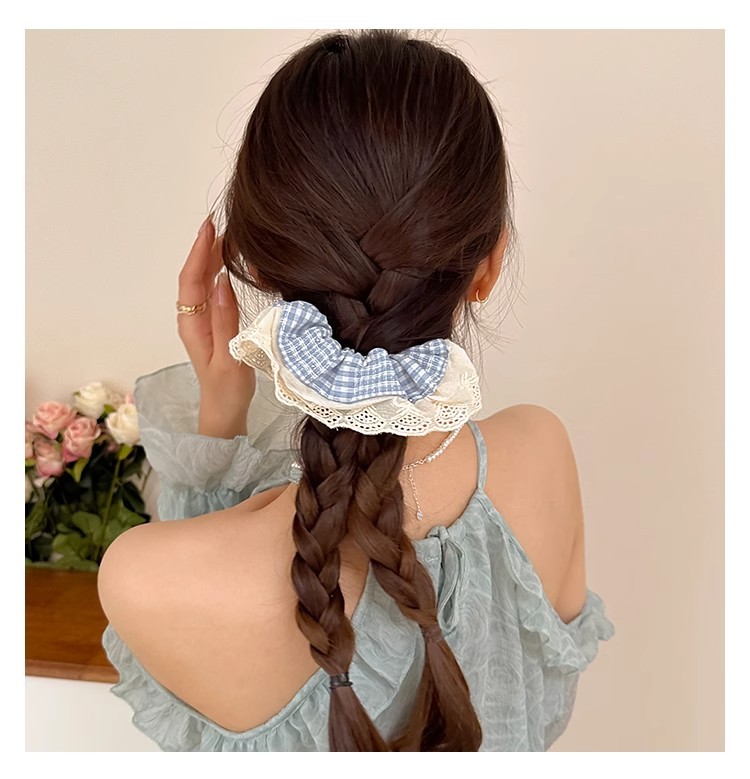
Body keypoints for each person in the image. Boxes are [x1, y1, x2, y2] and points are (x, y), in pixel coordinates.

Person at [97, 29, 614, 752]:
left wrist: (221, 417)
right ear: (489, 264)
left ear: (253, 264)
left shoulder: (145, 579)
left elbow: (211, 591)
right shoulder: (541, 455)